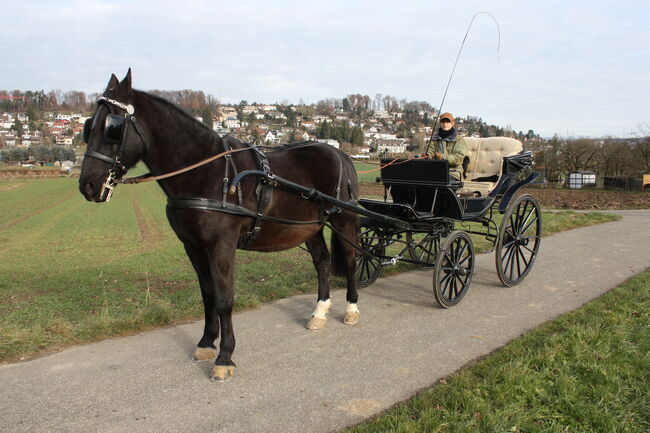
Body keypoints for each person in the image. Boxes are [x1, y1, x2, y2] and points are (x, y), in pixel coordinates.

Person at [429, 112, 468, 180]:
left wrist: (442, 157)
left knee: (437, 179)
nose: (445, 124)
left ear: (452, 123)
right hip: (435, 171)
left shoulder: (459, 140)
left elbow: (458, 159)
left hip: (454, 174)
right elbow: (429, 153)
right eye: (443, 122)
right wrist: (426, 157)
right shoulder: (434, 139)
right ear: (440, 123)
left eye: (447, 122)